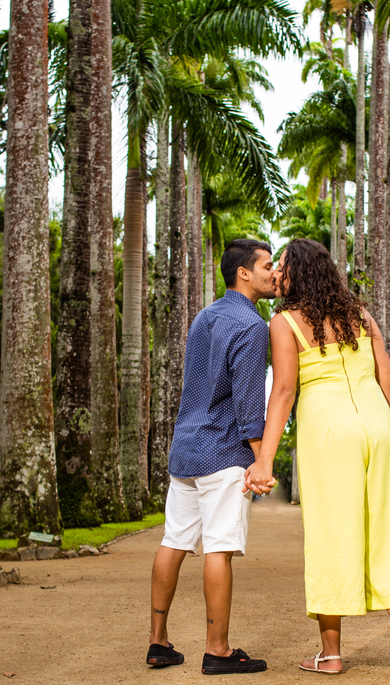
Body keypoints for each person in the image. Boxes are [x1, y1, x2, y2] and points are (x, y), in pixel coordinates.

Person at [246, 238, 390, 677]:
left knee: (330, 534)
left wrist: (265, 461)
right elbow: (385, 372)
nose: (276, 274)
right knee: (386, 526)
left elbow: (283, 392)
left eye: (281, 268)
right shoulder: (360, 314)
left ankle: (331, 656)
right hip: (377, 423)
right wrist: (377, 423)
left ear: (296, 273)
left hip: (329, 431)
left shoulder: (284, 322)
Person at [147, 239, 277, 675]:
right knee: (219, 548)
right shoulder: (252, 325)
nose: (273, 273)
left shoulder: (204, 316)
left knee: (174, 541)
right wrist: (261, 460)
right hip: (222, 452)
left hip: (185, 449)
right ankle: (217, 650)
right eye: (267, 266)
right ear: (244, 272)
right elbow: (247, 403)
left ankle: (158, 643)